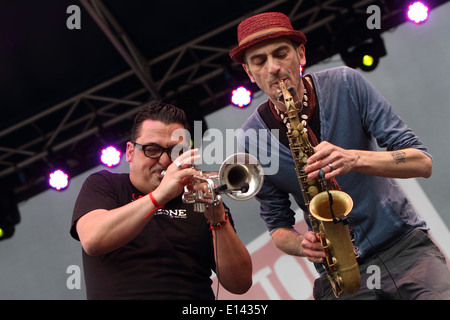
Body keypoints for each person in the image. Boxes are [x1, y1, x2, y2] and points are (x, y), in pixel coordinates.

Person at [230, 12, 450, 299]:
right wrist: (301, 244)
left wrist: (354, 159)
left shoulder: (346, 83)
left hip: (404, 248)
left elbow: (422, 162)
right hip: (341, 274)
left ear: (301, 54)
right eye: (259, 61)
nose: (273, 68)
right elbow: (278, 228)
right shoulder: (250, 140)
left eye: (281, 54)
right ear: (249, 73)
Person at [70, 103, 252, 299]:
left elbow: (240, 283)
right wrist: (159, 196)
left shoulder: (202, 199)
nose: (165, 161)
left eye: (176, 151)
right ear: (130, 152)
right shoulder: (106, 184)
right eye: (152, 149)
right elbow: (93, 239)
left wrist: (218, 220)